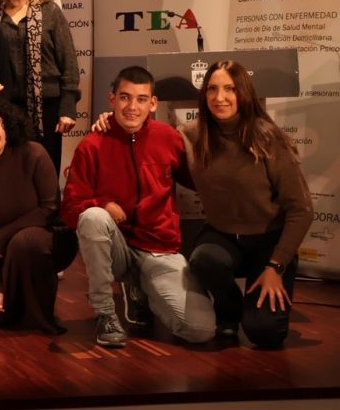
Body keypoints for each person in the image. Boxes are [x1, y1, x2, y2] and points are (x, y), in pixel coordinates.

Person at [64, 66, 215, 348]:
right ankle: (105, 314)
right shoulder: (92, 145)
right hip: (117, 249)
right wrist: (102, 204)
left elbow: (199, 182)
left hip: (159, 249)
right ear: (112, 99)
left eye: (141, 99)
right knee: (93, 217)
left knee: (200, 330)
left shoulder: (169, 138)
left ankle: (144, 290)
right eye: (125, 97)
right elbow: (70, 209)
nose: (132, 107)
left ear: (153, 103)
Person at [187, 60, 314, 349]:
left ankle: (254, 307)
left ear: (243, 93)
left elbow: (302, 210)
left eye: (230, 89)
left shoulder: (269, 138)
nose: (220, 97)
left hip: (269, 243)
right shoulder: (192, 135)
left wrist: (276, 266)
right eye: (212, 89)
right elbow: (149, 136)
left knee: (265, 333)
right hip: (222, 236)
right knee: (204, 260)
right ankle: (229, 309)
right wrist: (109, 120)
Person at [0, 95, 66, 334]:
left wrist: (5, 235)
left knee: (23, 241)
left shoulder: (34, 153)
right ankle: (10, 297)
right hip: (1, 251)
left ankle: (37, 315)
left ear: (7, 126)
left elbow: (50, 208)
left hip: (46, 238)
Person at [0, 0, 80, 174]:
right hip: (6, 109)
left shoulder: (50, 12)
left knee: (45, 171)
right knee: (11, 172)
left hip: (47, 107)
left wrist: (68, 107)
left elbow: (68, 60)